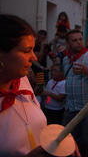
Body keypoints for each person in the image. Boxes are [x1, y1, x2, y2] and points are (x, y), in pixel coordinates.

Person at [0, 15, 48, 156]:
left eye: (33, 50)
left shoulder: (23, 80)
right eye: (27, 51)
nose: (34, 57)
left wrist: (58, 141)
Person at [62, 29, 88, 157]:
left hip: (86, 109)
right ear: (68, 43)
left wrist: (87, 71)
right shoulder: (66, 59)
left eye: (80, 39)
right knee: (67, 141)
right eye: (74, 40)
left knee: (87, 142)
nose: (78, 43)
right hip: (70, 107)